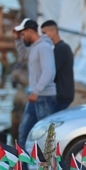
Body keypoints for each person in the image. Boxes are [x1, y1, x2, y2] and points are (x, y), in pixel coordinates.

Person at [15, 19, 57, 148]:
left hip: (43, 97)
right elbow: (23, 55)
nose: (22, 37)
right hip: (35, 97)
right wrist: (17, 40)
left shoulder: (43, 47)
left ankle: (49, 166)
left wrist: (37, 91)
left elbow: (49, 72)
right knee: (24, 133)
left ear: (30, 31)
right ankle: (24, 166)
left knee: (46, 136)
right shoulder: (35, 46)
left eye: (23, 34)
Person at [40, 19, 75, 113]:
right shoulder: (62, 48)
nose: (42, 36)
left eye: (44, 33)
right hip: (64, 95)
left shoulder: (61, 49)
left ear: (54, 32)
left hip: (61, 95)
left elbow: (51, 72)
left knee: (51, 125)